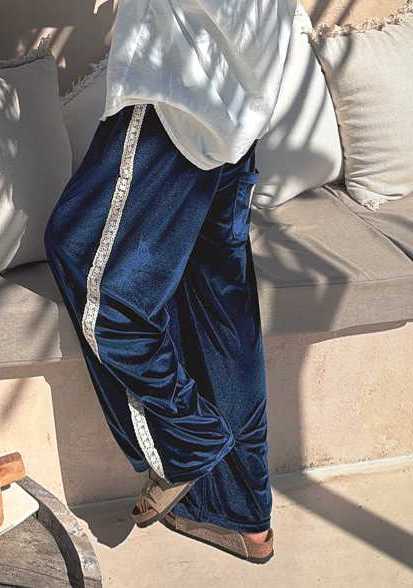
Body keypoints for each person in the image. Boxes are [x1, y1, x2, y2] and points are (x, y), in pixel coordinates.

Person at [45, 0, 296, 563]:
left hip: (178, 84)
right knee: (220, 309)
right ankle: (241, 515)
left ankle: (186, 437)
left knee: (89, 266)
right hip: (243, 83)